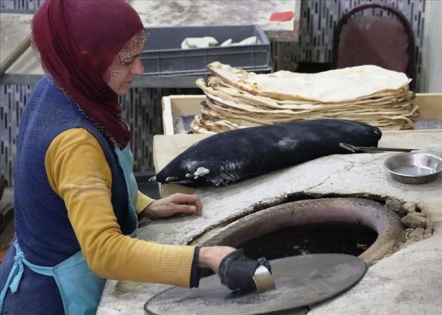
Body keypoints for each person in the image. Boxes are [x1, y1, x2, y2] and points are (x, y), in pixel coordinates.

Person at [0, 1, 270, 314]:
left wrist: (141, 204)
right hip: (56, 299)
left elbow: (78, 189)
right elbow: (103, 252)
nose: (139, 69)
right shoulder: (74, 142)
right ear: (88, 62)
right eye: (128, 60)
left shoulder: (58, 85)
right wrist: (205, 258)